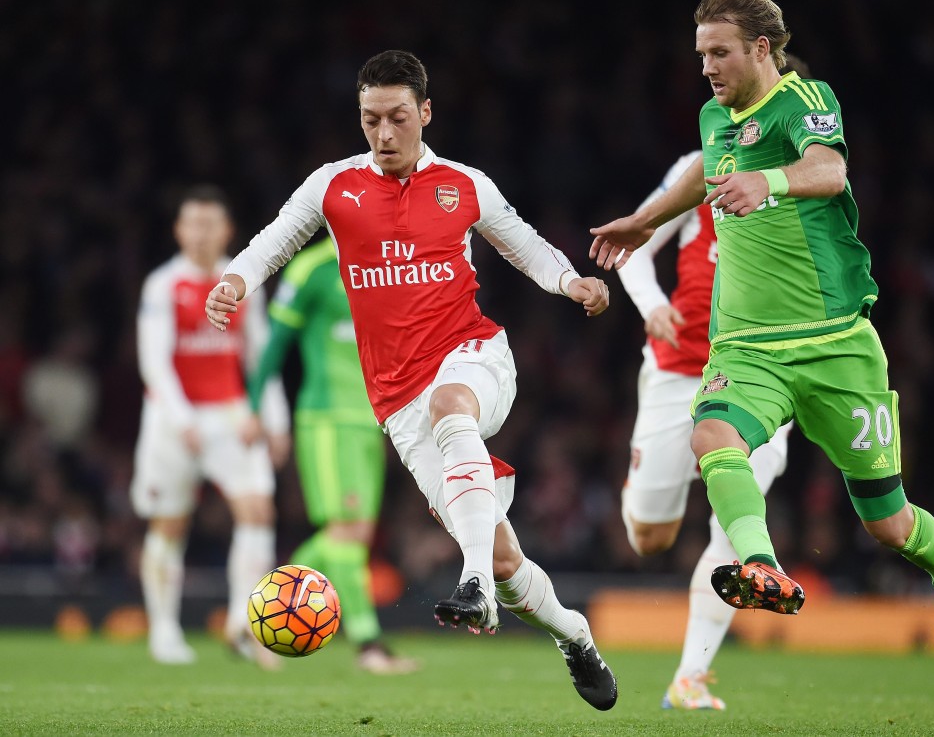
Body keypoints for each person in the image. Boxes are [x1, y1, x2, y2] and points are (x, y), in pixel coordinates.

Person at [205, 50, 618, 709]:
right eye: (371, 119)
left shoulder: (465, 184)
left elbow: (523, 244)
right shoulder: (334, 186)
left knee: (453, 407)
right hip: (397, 401)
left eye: (397, 117)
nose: (384, 133)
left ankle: (471, 583)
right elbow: (274, 240)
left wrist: (571, 281)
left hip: (473, 356)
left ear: (425, 112)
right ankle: (573, 633)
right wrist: (234, 280)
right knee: (509, 564)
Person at [591, 0, 934, 675]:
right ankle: (761, 564)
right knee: (712, 434)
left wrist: (768, 182)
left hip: (834, 345)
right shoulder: (715, 116)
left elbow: (829, 169)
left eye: (720, 52)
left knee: (888, 523)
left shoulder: (805, 99)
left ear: (761, 48)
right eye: (701, 54)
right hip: (748, 347)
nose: (706, 67)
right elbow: (706, 171)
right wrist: (646, 221)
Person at [617, 150, 793, 710]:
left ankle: (689, 678)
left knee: (734, 532)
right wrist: (652, 305)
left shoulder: (809, 181)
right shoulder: (705, 163)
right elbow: (633, 244)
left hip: (761, 381)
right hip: (679, 368)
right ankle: (642, 484)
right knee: (650, 538)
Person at [130, 184, 291, 668]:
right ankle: (164, 630)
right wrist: (182, 420)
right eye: (192, 224)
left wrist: (273, 418)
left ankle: (243, 624)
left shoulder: (239, 284)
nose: (199, 233)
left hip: (229, 414)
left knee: (258, 510)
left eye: (209, 224)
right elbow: (155, 363)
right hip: (171, 420)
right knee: (171, 522)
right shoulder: (163, 285)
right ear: (178, 230)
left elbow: (260, 356)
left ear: (227, 231)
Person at [246, 234, 418, 675]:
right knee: (346, 531)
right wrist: (255, 408)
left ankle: (261, 614)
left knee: (354, 534)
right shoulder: (312, 269)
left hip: (372, 418)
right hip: (327, 418)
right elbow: (275, 342)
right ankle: (368, 643)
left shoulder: (388, 264)